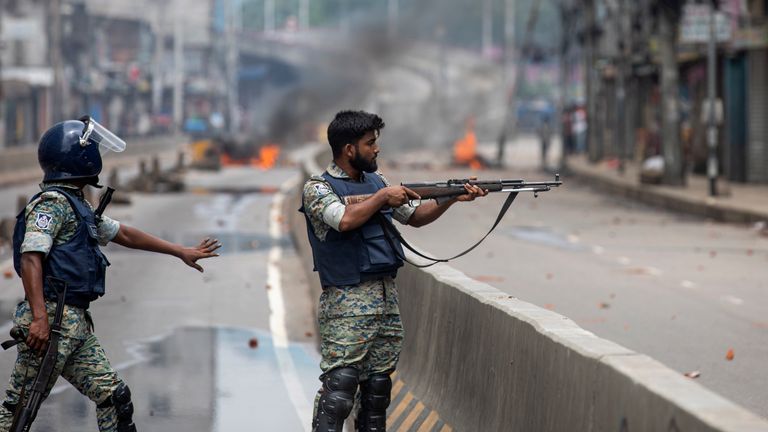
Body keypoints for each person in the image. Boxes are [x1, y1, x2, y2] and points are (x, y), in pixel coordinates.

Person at [0, 117, 221, 431]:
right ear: (78, 157)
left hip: (73, 327)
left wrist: (179, 251)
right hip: (50, 323)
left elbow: (124, 234)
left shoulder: (77, 205)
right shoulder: (52, 204)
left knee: (114, 398)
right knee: (17, 413)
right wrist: (39, 319)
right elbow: (31, 259)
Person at [301, 110, 487, 432]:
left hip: (386, 303)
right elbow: (343, 220)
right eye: (370, 143)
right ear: (349, 149)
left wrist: (452, 197)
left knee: (376, 394)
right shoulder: (318, 189)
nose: (376, 149)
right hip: (347, 304)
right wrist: (382, 197)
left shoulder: (378, 182)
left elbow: (415, 216)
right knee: (339, 394)